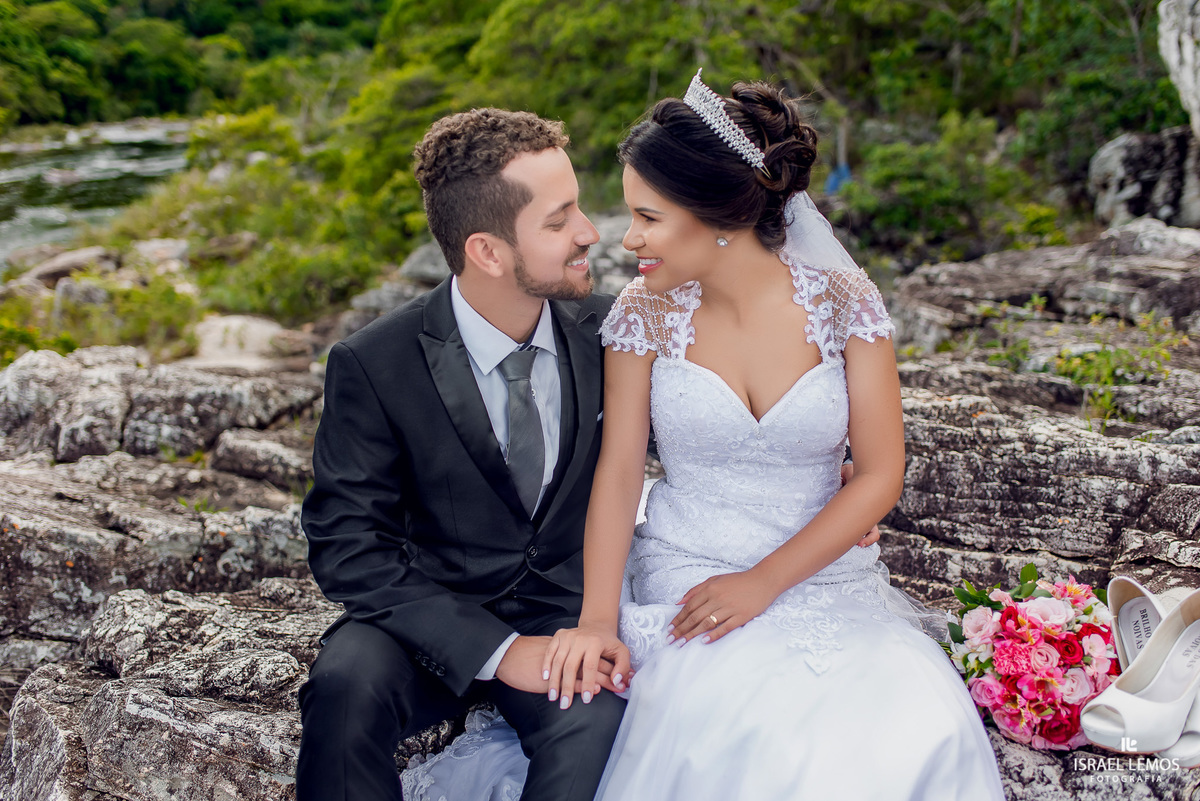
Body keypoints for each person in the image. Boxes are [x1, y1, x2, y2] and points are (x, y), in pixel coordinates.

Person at [401, 71, 1006, 799]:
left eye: (649, 217)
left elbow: (879, 474)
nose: (629, 239)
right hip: (685, 574)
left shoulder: (846, 302)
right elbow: (619, 472)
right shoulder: (642, 315)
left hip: (825, 581)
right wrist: (598, 621)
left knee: (909, 727)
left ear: (719, 214)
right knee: (732, 723)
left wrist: (763, 583)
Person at [296, 108, 628, 801]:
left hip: (564, 615)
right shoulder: (373, 362)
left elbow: (704, 425)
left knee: (594, 723)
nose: (589, 234)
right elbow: (348, 546)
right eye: (559, 218)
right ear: (487, 251)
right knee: (343, 685)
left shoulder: (612, 331)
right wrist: (501, 654)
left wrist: (816, 475)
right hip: (424, 617)